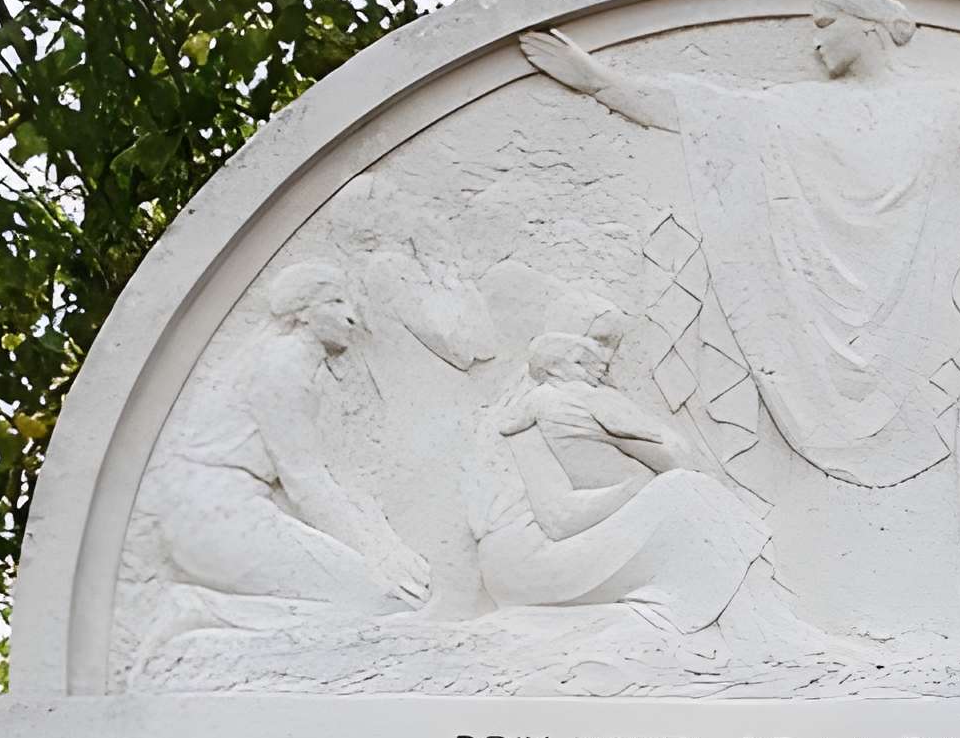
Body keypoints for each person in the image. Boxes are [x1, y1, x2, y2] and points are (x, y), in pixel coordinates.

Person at [521, 0, 960, 508]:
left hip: (924, 337)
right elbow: (690, 107)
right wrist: (598, 80)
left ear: (867, 26)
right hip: (811, 340)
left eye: (824, 26)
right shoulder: (795, 110)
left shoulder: (942, 110)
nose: (814, 44)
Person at [143, 258, 432, 613]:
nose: (352, 316)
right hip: (214, 516)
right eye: (335, 302)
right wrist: (379, 555)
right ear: (302, 313)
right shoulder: (283, 366)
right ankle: (199, 614)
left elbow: (330, 478)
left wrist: (383, 541)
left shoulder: (295, 367)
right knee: (382, 599)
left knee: (378, 595)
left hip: (220, 509)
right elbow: (305, 483)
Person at [468, 309, 769, 627]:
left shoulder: (579, 409)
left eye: (607, 348)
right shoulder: (532, 415)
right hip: (529, 568)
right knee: (685, 492)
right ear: (552, 365)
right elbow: (559, 518)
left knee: (692, 494)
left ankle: (749, 616)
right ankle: (730, 621)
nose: (602, 361)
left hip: (566, 550)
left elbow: (676, 456)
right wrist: (636, 486)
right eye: (589, 351)